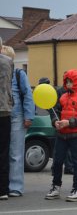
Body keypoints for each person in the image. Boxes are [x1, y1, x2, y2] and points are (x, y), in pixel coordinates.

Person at [45, 69, 77, 202]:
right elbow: (55, 112)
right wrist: (55, 122)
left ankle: (76, 189)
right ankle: (56, 187)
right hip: (62, 135)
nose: (68, 83)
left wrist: (69, 123)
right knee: (58, 161)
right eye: (67, 81)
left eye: (71, 81)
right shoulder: (63, 97)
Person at [1, 46, 35, 197]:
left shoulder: (19, 74)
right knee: (4, 152)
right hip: (5, 115)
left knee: (15, 152)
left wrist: (28, 117)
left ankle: (16, 186)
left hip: (17, 117)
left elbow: (28, 94)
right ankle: (4, 184)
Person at [0, 39, 14, 200]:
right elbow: (9, 83)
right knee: (3, 151)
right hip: (4, 109)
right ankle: (3, 189)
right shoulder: (8, 61)